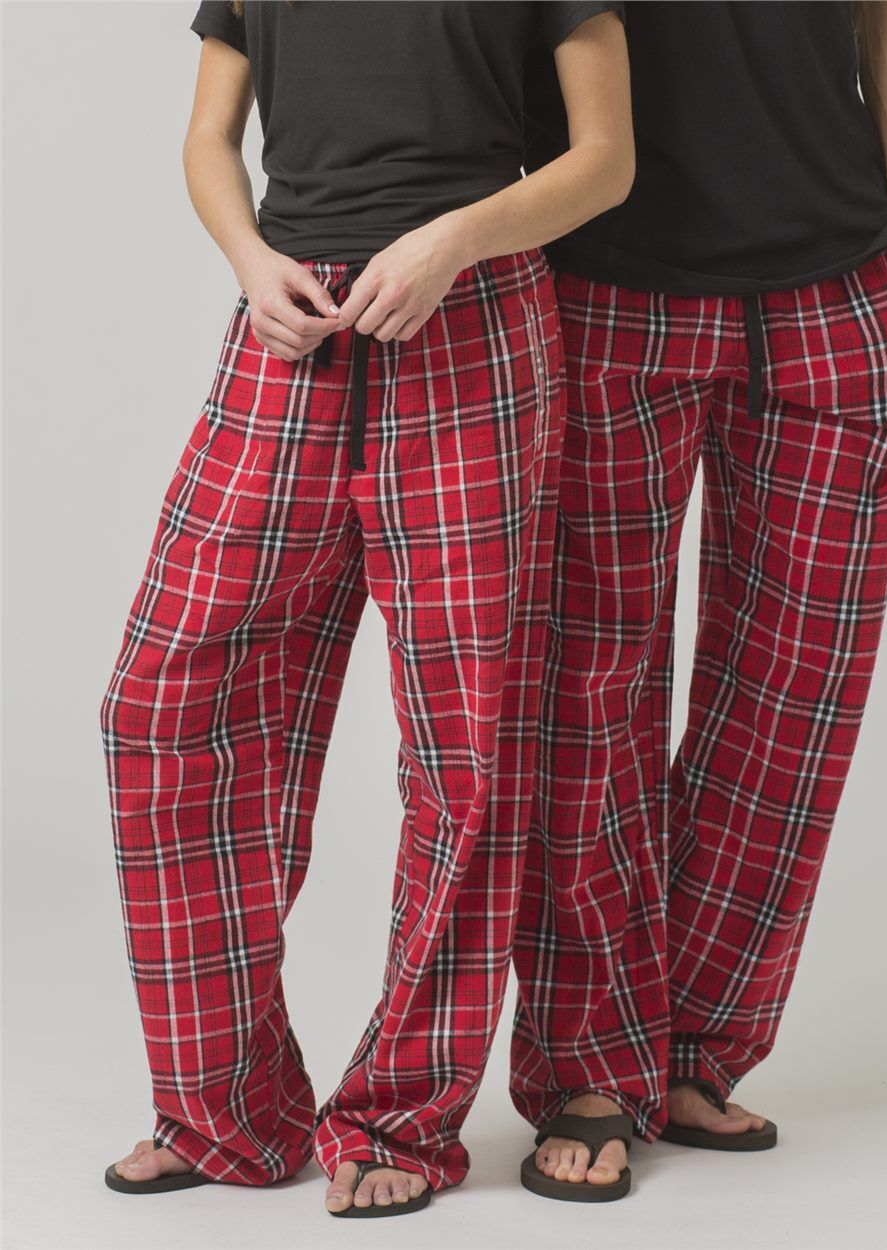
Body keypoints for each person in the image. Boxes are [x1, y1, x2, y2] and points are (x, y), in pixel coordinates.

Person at [101, 0, 632, 1217]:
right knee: (161, 703)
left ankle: (401, 1112)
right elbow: (209, 137)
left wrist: (456, 239)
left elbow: (605, 158)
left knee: (467, 743)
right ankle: (225, 1106)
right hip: (288, 331)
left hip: (473, 327)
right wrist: (249, 260)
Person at [513, 0, 887, 1190]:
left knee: (796, 697)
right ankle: (592, 1063)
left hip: (841, 292)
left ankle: (695, 1042)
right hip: (603, 289)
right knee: (589, 695)